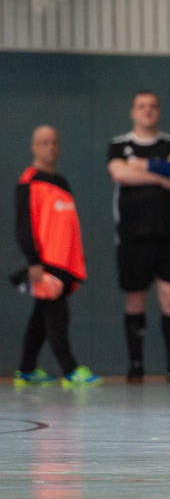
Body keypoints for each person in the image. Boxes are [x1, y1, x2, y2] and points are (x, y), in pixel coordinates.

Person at [107, 91, 170, 384]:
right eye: (141, 107)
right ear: (133, 111)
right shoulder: (119, 145)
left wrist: (142, 166)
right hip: (132, 235)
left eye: (153, 106)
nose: (147, 111)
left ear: (158, 111)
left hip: (167, 234)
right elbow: (120, 174)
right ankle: (135, 365)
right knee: (135, 299)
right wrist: (158, 176)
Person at [12, 126, 100, 388]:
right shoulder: (28, 182)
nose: (51, 147)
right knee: (57, 315)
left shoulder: (61, 182)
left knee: (41, 316)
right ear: (34, 146)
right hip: (45, 263)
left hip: (63, 263)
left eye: (55, 142)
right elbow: (23, 225)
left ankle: (26, 370)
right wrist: (33, 260)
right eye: (44, 142)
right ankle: (71, 370)